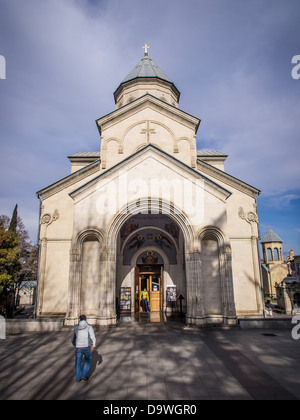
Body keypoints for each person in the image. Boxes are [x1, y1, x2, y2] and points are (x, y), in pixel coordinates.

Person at [71, 314, 96, 382]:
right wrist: (93, 345)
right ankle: (84, 376)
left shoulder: (76, 327)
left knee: (78, 362)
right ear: (85, 319)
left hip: (78, 346)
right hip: (86, 346)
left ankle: (78, 378)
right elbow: (92, 336)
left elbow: (73, 337)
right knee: (87, 360)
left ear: (80, 319)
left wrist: (74, 344)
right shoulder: (88, 326)